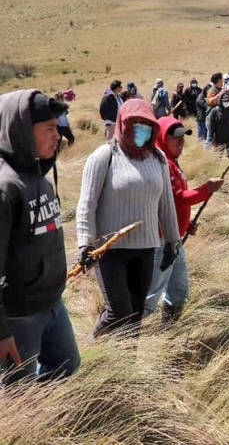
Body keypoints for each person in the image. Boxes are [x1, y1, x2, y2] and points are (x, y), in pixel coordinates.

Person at [76, 99, 180, 338]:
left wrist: (171, 241)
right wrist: (85, 243)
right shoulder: (105, 156)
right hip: (110, 250)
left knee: (135, 314)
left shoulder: (158, 159)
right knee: (118, 311)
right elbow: (87, 203)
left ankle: (126, 363)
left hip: (146, 249)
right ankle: (94, 353)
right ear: (123, 123)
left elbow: (166, 204)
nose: (142, 128)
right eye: (136, 123)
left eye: (147, 124)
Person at [0, 90, 80, 384]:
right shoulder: (6, 188)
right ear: (20, 131)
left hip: (52, 305)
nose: (57, 135)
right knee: (18, 393)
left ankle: (47, 423)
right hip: (18, 316)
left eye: (56, 127)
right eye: (48, 129)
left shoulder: (39, 173)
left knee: (67, 367)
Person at [143, 117, 223, 322]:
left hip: (174, 239)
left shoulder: (172, 163)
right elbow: (180, 197)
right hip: (162, 241)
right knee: (151, 295)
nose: (181, 142)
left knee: (178, 289)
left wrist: (185, 224)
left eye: (183, 138)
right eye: (175, 138)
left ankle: (169, 330)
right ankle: (126, 337)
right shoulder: (164, 165)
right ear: (162, 138)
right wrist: (207, 188)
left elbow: (174, 204)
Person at [209, 91, 229, 156]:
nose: (226, 103)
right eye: (225, 101)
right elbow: (211, 127)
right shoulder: (215, 111)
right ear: (221, 101)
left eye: (228, 101)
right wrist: (211, 139)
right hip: (219, 138)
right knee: (218, 157)